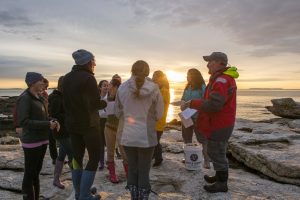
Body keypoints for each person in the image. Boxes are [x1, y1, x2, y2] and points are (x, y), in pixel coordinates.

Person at [184, 52, 239, 193]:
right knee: (216, 151)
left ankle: (222, 184)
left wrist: (192, 103)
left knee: (218, 152)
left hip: (220, 124)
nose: (207, 64)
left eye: (210, 61)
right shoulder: (221, 78)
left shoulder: (221, 80)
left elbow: (214, 105)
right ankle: (218, 176)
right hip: (220, 122)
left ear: (220, 63)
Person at [115, 60, 164, 200]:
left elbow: (118, 113)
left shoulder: (122, 88)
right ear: (147, 72)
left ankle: (133, 196)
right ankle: (143, 197)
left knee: (132, 168)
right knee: (144, 170)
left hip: (127, 136)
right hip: (147, 137)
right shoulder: (154, 88)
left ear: (132, 70)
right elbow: (159, 114)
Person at [63, 49, 107, 200]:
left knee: (77, 158)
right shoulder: (88, 78)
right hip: (89, 126)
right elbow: (94, 104)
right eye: (94, 60)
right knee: (94, 158)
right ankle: (84, 195)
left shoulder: (66, 78)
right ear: (88, 62)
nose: (95, 63)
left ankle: (79, 191)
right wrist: (105, 102)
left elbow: (66, 103)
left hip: (72, 125)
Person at [18, 72, 60, 200]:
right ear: (32, 83)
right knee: (30, 173)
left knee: (36, 173)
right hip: (31, 141)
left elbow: (44, 117)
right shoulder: (25, 98)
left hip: (42, 139)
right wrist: (47, 124)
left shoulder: (40, 97)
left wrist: (53, 120)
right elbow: (24, 122)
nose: (43, 83)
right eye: (40, 81)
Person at [180, 68, 209, 168]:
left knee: (202, 139)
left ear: (194, 76)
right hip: (186, 116)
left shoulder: (202, 87)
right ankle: (187, 157)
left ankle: (206, 160)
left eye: (188, 75)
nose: (187, 77)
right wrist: (182, 103)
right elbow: (183, 99)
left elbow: (206, 101)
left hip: (198, 117)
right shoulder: (187, 87)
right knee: (186, 138)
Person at [48, 76, 73, 189]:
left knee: (62, 155)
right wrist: (69, 115)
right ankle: (80, 181)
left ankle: (56, 179)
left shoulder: (63, 96)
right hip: (61, 131)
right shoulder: (56, 98)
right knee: (73, 155)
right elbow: (54, 114)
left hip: (66, 130)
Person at [104, 78, 128, 183]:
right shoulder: (106, 98)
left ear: (116, 87)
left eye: (110, 85)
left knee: (124, 152)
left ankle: (129, 173)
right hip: (108, 127)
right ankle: (112, 174)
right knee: (110, 152)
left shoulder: (123, 98)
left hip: (121, 129)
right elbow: (102, 112)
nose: (108, 87)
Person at [151, 70, 170, 167]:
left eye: (155, 77)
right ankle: (154, 156)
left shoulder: (164, 91)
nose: (153, 78)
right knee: (154, 139)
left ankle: (159, 158)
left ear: (160, 79)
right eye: (153, 76)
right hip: (155, 119)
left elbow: (157, 103)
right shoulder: (158, 89)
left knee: (155, 140)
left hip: (159, 120)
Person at [41, 78, 58, 165]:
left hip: (47, 118)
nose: (46, 88)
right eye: (46, 86)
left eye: (47, 87)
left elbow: (49, 106)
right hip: (38, 121)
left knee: (52, 139)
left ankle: (55, 158)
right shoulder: (30, 95)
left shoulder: (45, 94)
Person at [98, 80, 109, 170]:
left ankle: (109, 161)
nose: (106, 87)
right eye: (104, 85)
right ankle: (101, 162)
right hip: (98, 123)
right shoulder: (96, 98)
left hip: (107, 122)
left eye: (107, 85)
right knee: (100, 144)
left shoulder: (110, 98)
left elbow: (107, 113)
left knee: (108, 143)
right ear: (100, 87)